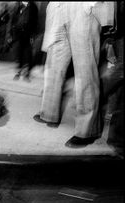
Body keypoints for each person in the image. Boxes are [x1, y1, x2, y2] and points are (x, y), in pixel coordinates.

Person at [33, 2, 115, 148]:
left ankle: (87, 130)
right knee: (53, 66)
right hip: (59, 8)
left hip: (82, 7)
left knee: (85, 69)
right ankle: (49, 113)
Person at [10, 1, 38, 81]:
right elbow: (14, 20)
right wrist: (13, 32)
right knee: (19, 53)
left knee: (28, 54)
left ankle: (27, 73)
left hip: (28, 33)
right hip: (19, 33)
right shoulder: (18, 6)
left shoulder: (33, 6)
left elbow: (35, 21)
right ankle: (19, 72)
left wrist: (33, 34)